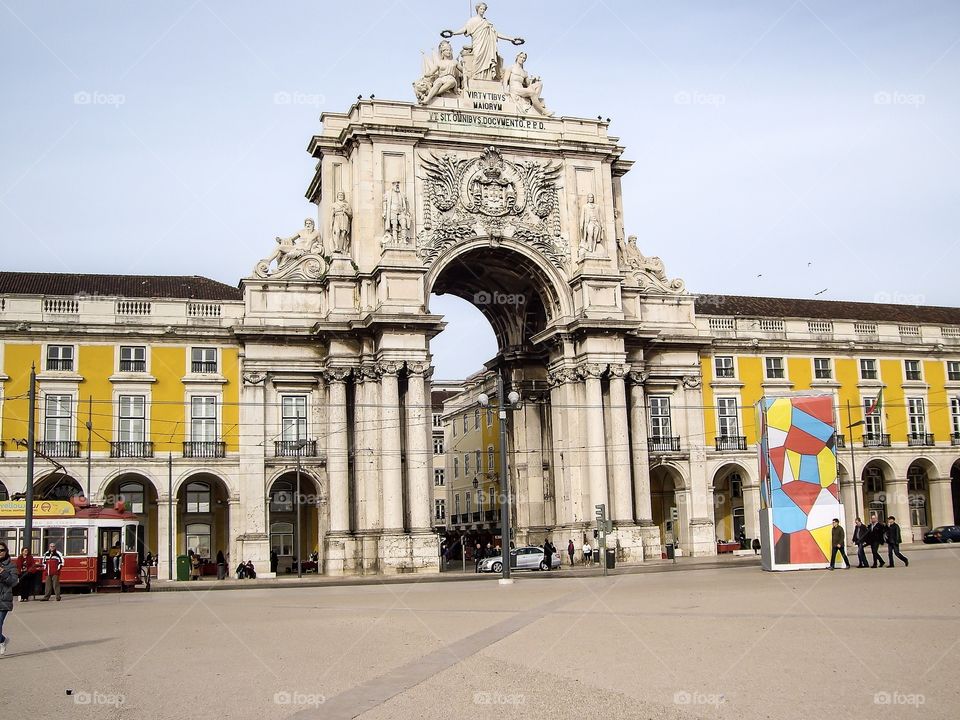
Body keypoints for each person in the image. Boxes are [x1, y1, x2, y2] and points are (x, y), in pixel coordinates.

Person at [503, 52, 552, 116]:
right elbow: (505, 79)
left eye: (524, 58)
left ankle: (534, 102)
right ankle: (543, 111)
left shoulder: (524, 72)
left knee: (539, 84)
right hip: (514, 89)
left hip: (521, 89)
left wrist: (534, 81)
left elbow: (528, 84)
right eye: (521, 57)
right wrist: (505, 89)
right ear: (517, 57)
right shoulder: (511, 67)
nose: (522, 59)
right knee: (531, 92)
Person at [0, 542, 19, 655]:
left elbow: (14, 582)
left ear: (6, 551)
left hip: (4, 600)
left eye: (2, 550)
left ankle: (1, 642)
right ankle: (2, 640)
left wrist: (3, 572)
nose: (0, 552)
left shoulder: (11, 565)